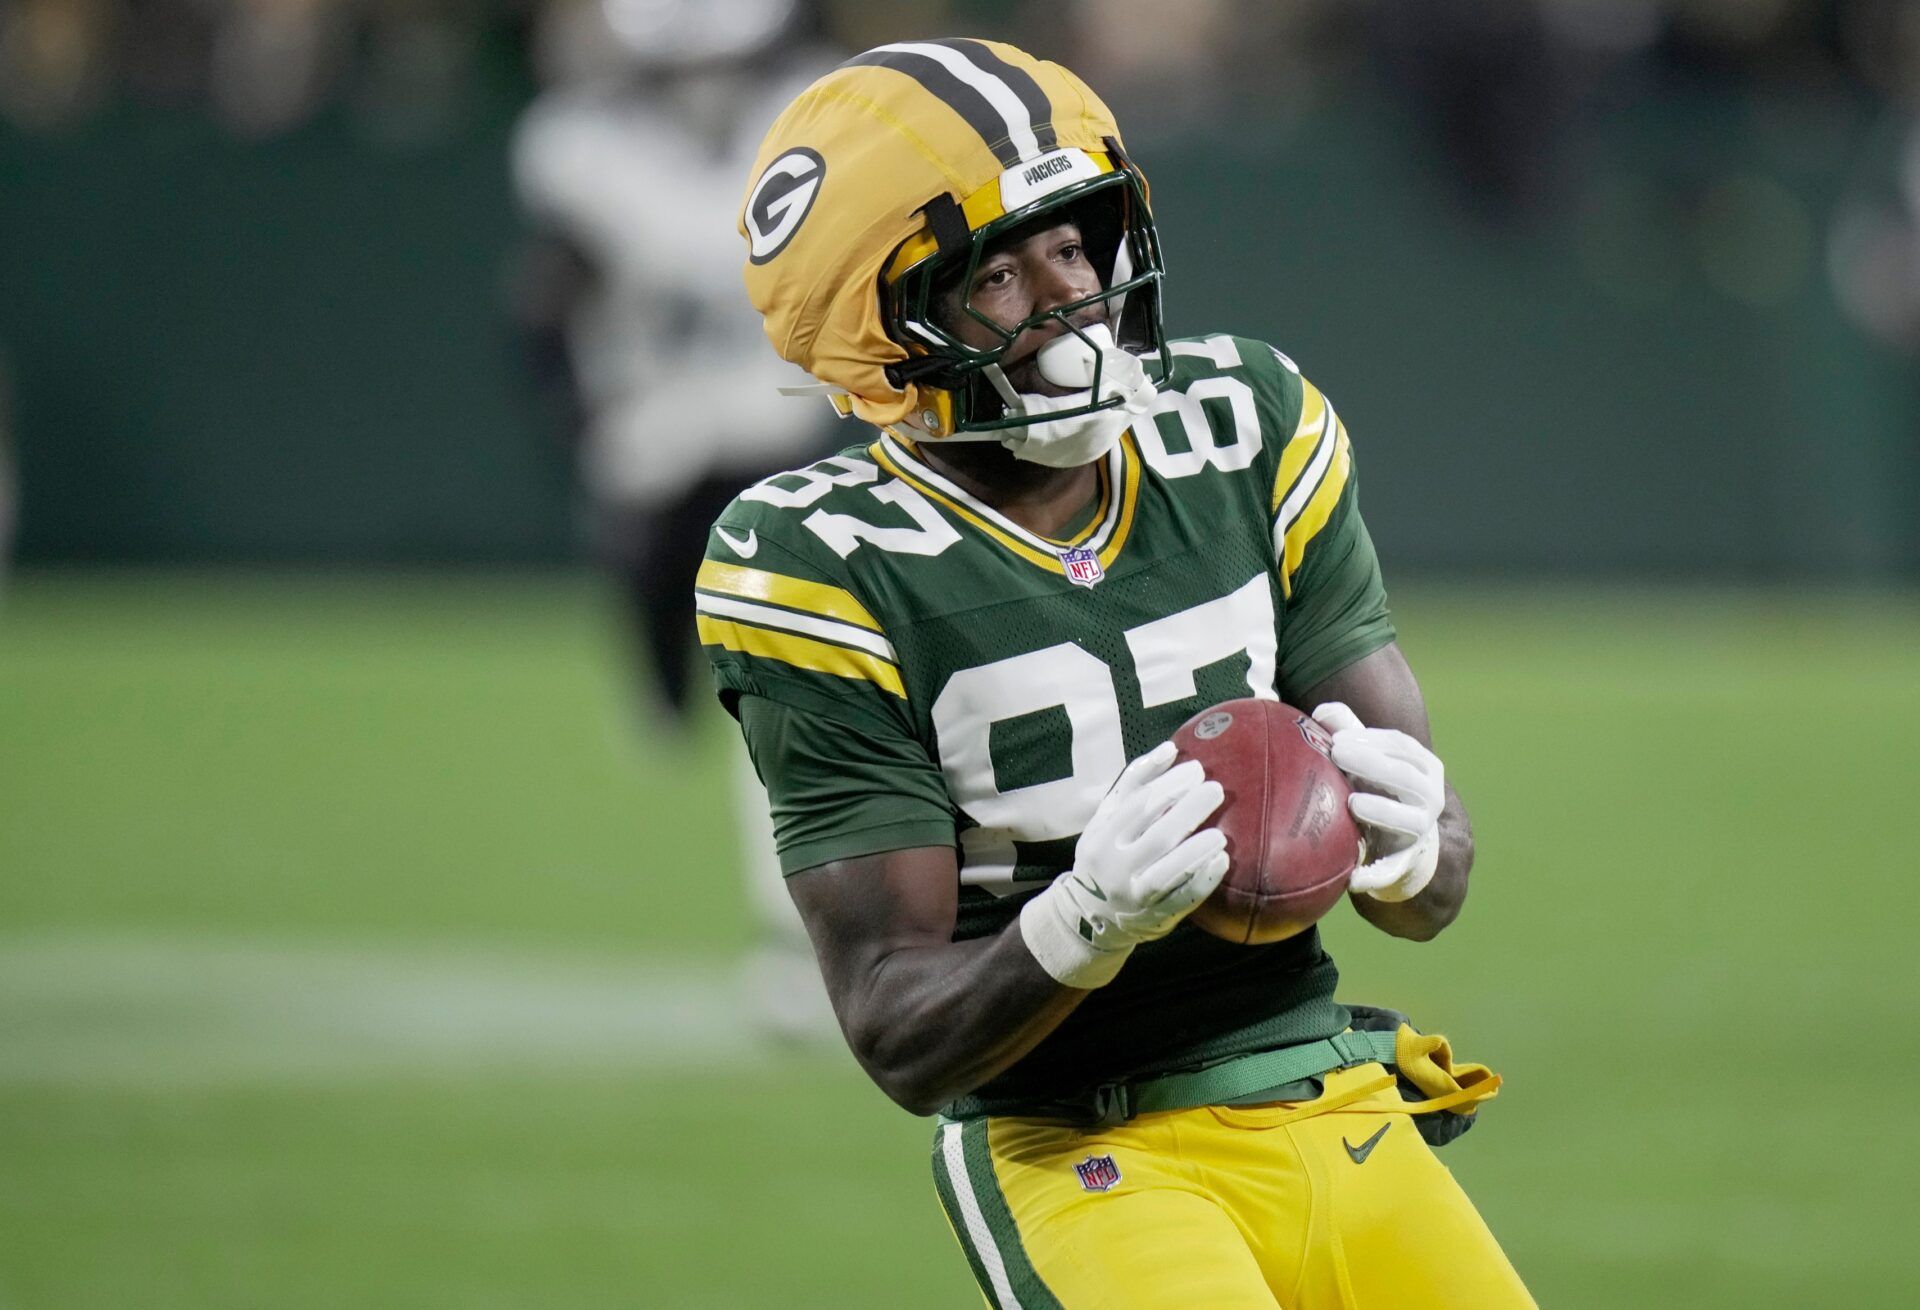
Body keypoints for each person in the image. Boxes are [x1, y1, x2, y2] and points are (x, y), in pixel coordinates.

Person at [699, 37, 1534, 1308]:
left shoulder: (1246, 424)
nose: (1067, 299)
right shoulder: (818, 562)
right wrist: (1082, 920)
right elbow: (895, 1027)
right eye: (997, 274)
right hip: (1079, 1142)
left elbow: (1426, 890)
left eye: (1075, 246)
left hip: (1327, 1089)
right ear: (884, 329)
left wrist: (1422, 844)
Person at [511, 0, 844, 1037]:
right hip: (656, 448)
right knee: (670, 707)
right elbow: (540, 311)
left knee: (783, 690)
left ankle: (805, 942)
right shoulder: (582, 150)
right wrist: (589, 423)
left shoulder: (818, 118)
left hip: (786, 437)